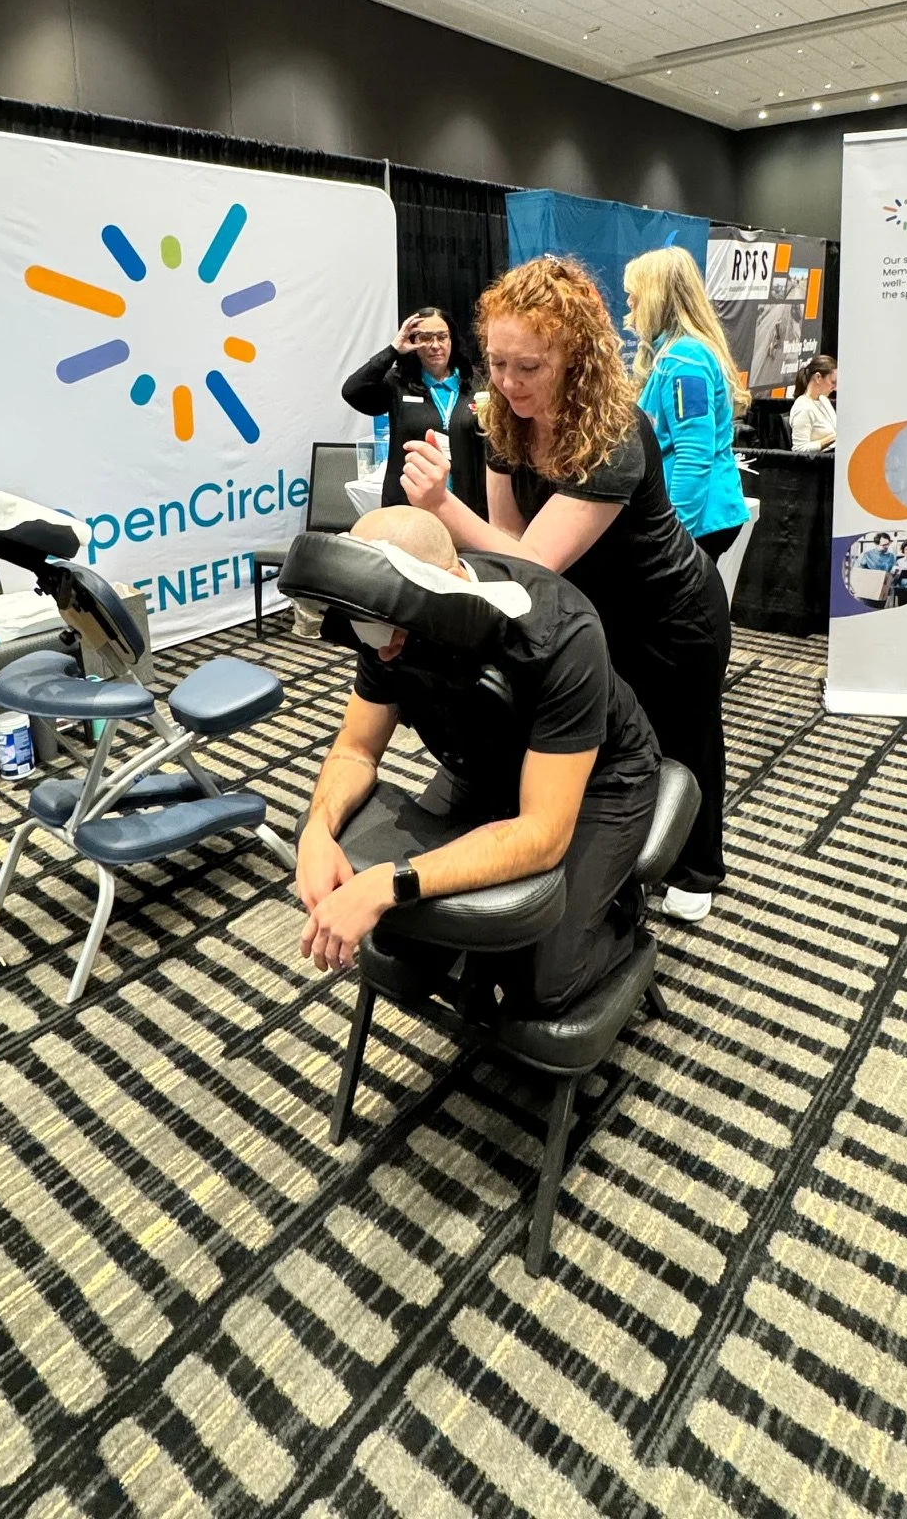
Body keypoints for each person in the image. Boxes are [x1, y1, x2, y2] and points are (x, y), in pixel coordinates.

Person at [399, 255, 730, 924]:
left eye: (531, 367)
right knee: (608, 746)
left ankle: (699, 867)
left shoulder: (613, 432)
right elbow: (511, 550)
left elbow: (535, 564)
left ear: (575, 357)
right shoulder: (504, 421)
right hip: (594, 612)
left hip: (672, 618)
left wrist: (440, 505)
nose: (510, 383)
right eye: (497, 363)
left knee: (684, 743)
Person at [292, 507, 660, 1012]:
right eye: (372, 631)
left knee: (540, 984)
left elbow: (542, 833)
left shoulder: (560, 634)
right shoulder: (382, 624)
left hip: (601, 777)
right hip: (480, 758)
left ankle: (622, 915)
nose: (384, 649)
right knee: (402, 945)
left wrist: (392, 880)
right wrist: (317, 830)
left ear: (443, 585)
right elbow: (356, 749)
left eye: (393, 631)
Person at [624, 246, 750, 561]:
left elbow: (694, 455)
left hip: (698, 520)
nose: (629, 303)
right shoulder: (676, 355)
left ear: (656, 298)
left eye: (635, 294)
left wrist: (673, 538)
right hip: (695, 516)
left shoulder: (685, 360)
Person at [342, 307, 487, 516]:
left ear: (451, 340)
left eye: (442, 337)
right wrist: (393, 350)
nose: (435, 345)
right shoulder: (398, 383)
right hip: (409, 508)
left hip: (465, 507)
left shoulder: (474, 382)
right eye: (426, 338)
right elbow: (351, 391)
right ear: (413, 342)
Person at [789, 355, 837, 451]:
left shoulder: (824, 400)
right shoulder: (803, 408)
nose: (835, 388)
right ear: (818, 377)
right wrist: (831, 439)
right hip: (821, 463)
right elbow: (799, 449)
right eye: (833, 382)